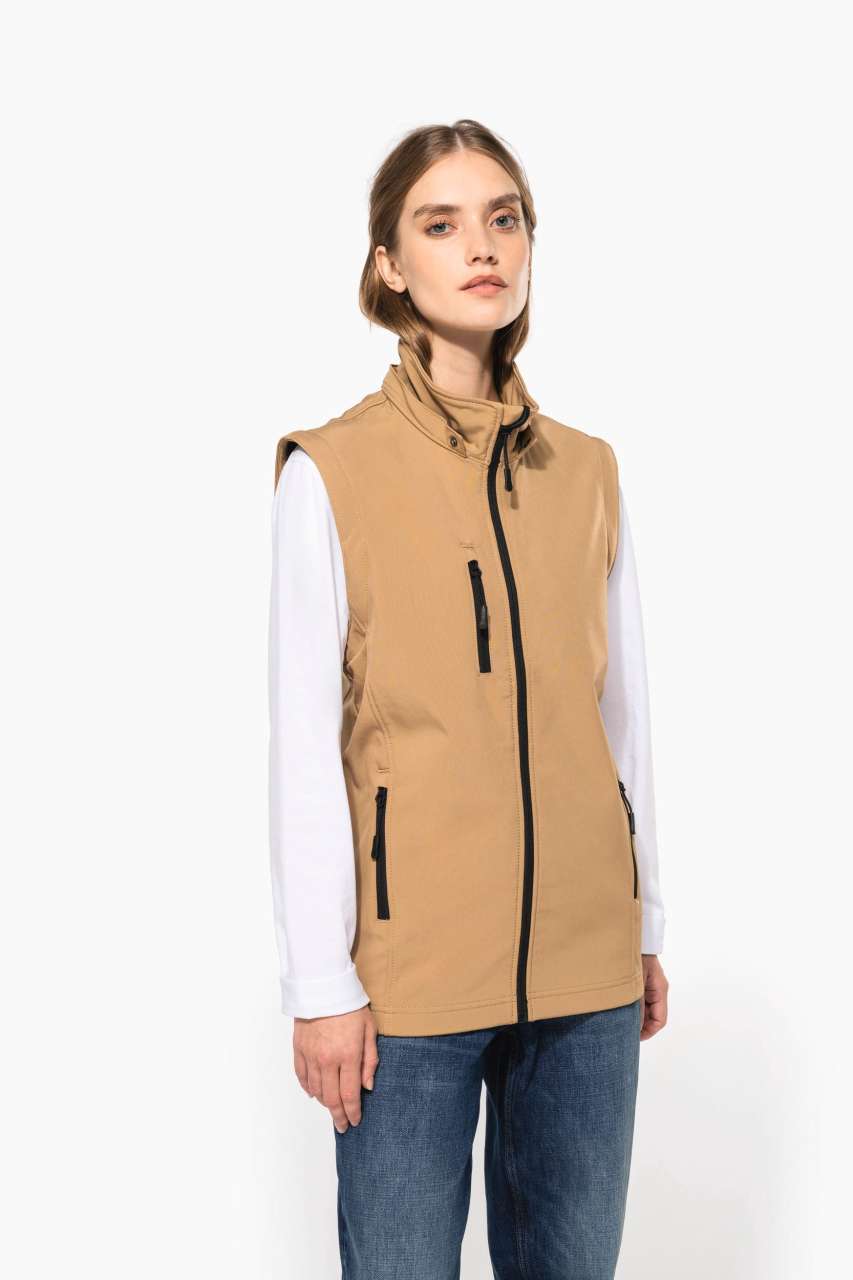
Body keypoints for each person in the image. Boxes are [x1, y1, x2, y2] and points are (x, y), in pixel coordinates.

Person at [268, 118, 669, 1279]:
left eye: (503, 218)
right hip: (410, 983)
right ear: (390, 264)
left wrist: (641, 922)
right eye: (439, 224)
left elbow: (623, 719)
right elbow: (304, 742)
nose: (480, 246)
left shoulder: (585, 471)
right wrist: (321, 983)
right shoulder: (331, 471)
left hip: (586, 969)